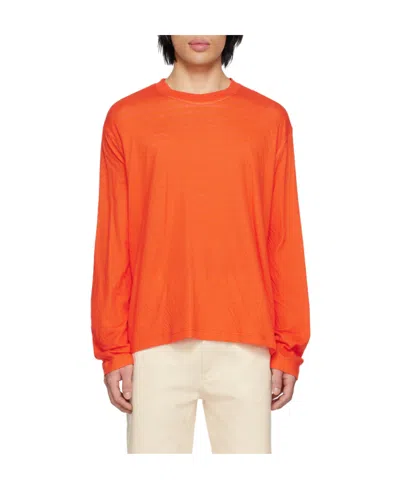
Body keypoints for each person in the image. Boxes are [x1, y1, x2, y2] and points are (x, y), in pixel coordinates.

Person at [90, 35, 310, 454]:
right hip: (154, 341)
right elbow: (114, 241)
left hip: (247, 341)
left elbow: (282, 237)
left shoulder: (268, 119)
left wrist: (288, 348)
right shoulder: (127, 118)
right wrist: (113, 349)